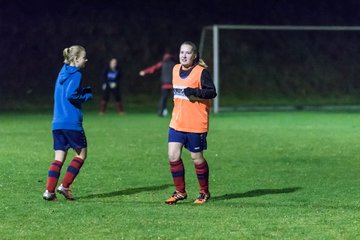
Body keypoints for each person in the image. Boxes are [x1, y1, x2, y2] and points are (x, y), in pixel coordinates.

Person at [165, 41, 217, 205]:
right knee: (173, 155)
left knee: (196, 157)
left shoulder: (201, 72)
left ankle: (204, 192)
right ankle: (180, 192)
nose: (184, 55)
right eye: (181, 52)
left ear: (194, 55)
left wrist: (195, 92)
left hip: (196, 123)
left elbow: (212, 92)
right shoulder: (174, 69)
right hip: (177, 122)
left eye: (188, 53)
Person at [43, 45, 93, 201]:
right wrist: (86, 96)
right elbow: (71, 95)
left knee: (59, 157)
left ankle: (49, 192)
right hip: (71, 123)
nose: (86, 59)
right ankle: (64, 186)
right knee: (81, 154)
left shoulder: (62, 71)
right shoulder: (77, 74)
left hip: (57, 123)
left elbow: (66, 92)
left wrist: (82, 91)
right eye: (84, 57)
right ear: (76, 59)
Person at [139, 51, 176, 117]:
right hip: (172, 85)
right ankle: (177, 113)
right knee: (175, 99)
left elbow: (154, 68)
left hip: (165, 85)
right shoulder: (174, 65)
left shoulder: (162, 64)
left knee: (163, 99)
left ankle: (161, 112)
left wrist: (144, 71)